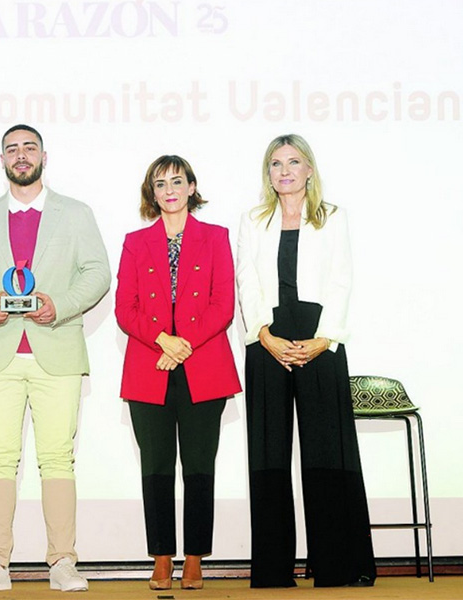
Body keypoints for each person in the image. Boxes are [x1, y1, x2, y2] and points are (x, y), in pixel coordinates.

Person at [0, 124, 110, 593]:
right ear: (1, 160)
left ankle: (62, 561)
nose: (21, 156)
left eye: (29, 148)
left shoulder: (75, 214)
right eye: (12, 149)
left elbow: (98, 273)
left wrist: (58, 305)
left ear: (44, 155)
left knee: (58, 458)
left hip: (56, 351)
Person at [236, 134, 376, 588]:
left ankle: (336, 566)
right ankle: (274, 571)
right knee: (269, 457)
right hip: (267, 343)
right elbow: (247, 282)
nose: (285, 171)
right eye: (276, 164)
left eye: (294, 162)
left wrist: (324, 339)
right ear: (268, 174)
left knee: (325, 456)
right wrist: (264, 335)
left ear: (310, 169)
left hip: (321, 341)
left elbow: (342, 280)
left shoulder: (333, 218)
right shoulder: (252, 220)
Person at [115, 155, 241, 590]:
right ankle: (163, 558)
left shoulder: (216, 237)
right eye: (160, 183)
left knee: (199, 467)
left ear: (191, 187)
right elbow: (124, 309)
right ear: (151, 193)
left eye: (177, 181)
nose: (169, 189)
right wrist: (163, 341)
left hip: (204, 368)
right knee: (156, 468)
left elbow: (223, 306)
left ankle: (194, 558)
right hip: (149, 368)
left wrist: (181, 342)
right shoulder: (135, 241)